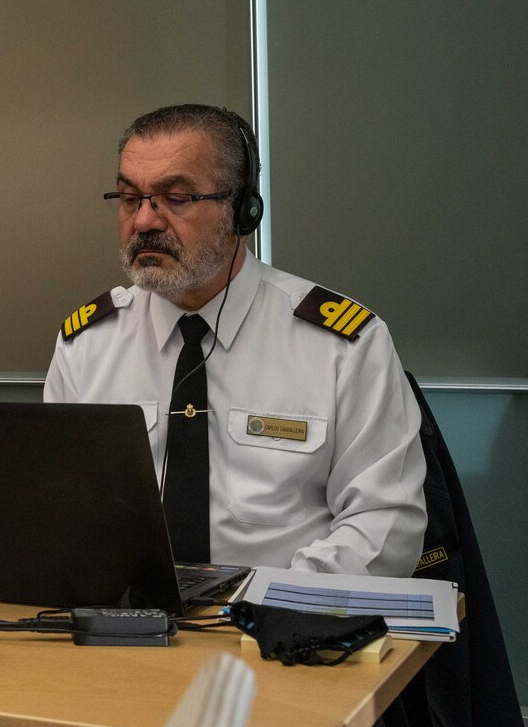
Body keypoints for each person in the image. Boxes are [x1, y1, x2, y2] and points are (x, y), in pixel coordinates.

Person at [44, 105, 425, 576]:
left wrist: (276, 608)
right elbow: (59, 512)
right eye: (128, 199)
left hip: (281, 628)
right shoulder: (87, 344)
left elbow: (384, 521)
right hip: (123, 627)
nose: (143, 221)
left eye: (175, 197)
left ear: (243, 210)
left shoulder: (341, 345)